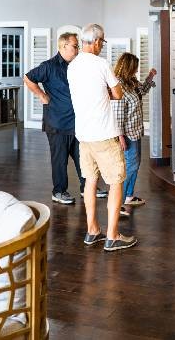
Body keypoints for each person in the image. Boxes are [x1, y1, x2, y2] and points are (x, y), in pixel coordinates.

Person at [67, 24, 137, 251]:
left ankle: (92, 230)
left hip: (84, 136)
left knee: (90, 181)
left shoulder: (73, 66)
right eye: (102, 43)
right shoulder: (101, 64)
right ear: (96, 42)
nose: (102, 47)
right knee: (116, 182)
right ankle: (113, 235)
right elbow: (118, 93)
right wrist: (106, 92)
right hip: (104, 135)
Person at [24, 32, 108, 205]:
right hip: (57, 123)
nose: (78, 49)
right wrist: (41, 95)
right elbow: (28, 78)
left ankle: (88, 188)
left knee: (83, 159)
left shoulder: (78, 65)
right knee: (60, 161)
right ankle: (59, 191)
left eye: (78, 46)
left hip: (78, 123)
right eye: (75, 46)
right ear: (63, 46)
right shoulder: (49, 66)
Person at [112, 52, 156, 216]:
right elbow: (117, 114)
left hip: (135, 131)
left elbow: (142, 91)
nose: (136, 71)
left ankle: (129, 196)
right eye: (135, 68)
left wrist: (150, 77)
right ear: (128, 68)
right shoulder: (118, 86)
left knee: (135, 165)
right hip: (126, 134)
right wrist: (120, 136)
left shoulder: (131, 82)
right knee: (130, 166)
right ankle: (118, 203)